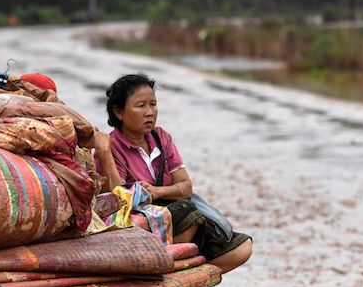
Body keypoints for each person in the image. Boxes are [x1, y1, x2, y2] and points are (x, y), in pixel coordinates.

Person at [93, 73, 252, 274]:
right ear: (119, 112)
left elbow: (186, 187)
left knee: (242, 248)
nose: (150, 112)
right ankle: (175, 272)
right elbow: (118, 199)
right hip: (141, 233)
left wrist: (157, 192)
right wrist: (104, 153)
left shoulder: (161, 138)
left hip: (176, 217)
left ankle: (190, 276)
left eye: (153, 104)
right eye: (141, 106)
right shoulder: (111, 146)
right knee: (186, 213)